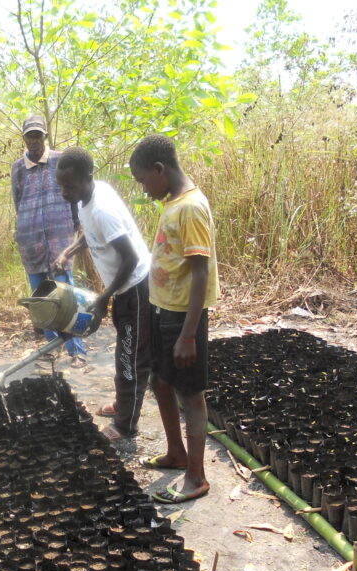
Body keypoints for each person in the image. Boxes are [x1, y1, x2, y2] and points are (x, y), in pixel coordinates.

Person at [129, 133, 220, 503]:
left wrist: (187, 336)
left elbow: (200, 272)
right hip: (163, 309)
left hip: (184, 318)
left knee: (190, 394)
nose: (143, 188)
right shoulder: (173, 202)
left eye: (142, 180)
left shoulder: (191, 208)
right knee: (160, 382)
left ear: (159, 169)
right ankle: (176, 453)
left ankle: (196, 476)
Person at [55, 146, 151, 443]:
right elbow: (90, 232)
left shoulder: (102, 209)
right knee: (125, 352)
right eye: (61, 185)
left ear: (87, 178)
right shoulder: (87, 199)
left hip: (135, 288)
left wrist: (104, 298)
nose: (64, 192)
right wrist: (69, 250)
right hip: (122, 289)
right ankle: (124, 406)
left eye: (69, 186)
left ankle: (126, 426)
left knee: (130, 359)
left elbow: (131, 258)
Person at [11, 114, 86, 366]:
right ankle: (51, 349)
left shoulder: (59, 160)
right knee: (42, 299)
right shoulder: (17, 168)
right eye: (29, 135)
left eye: (38, 135)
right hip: (31, 242)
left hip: (60, 239)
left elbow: (74, 195)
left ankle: (77, 350)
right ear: (24, 138)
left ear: (45, 136)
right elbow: (17, 202)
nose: (34, 140)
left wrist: (77, 224)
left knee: (66, 295)